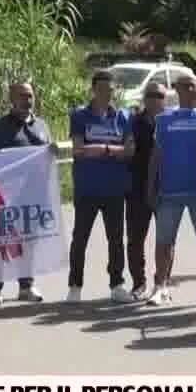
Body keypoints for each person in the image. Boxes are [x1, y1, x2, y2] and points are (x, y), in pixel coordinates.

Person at [147, 73, 196, 306]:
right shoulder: (164, 119)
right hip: (170, 191)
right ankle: (160, 287)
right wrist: (151, 186)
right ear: (175, 89)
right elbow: (156, 156)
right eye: (182, 85)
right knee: (164, 242)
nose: (187, 88)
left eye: (191, 85)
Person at [67, 69, 134, 303]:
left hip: (114, 189)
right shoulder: (79, 116)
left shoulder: (123, 116)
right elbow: (78, 150)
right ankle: (75, 285)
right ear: (94, 89)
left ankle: (117, 285)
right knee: (80, 239)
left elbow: (130, 151)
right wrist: (113, 150)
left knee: (116, 239)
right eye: (102, 89)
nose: (107, 93)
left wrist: (103, 149)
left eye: (110, 89)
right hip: (87, 188)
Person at [0, 81, 52, 304]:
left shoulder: (42, 125)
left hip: (33, 196)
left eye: (30, 95)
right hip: (4, 196)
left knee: (28, 242)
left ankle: (26, 286)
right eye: (22, 96)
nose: (27, 100)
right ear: (11, 99)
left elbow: (46, 159)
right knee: (1, 242)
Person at [127, 81, 166, 300]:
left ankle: (162, 282)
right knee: (135, 239)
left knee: (166, 239)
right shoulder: (133, 122)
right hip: (137, 188)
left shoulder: (169, 122)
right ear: (144, 98)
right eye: (151, 95)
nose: (155, 99)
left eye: (160, 96)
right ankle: (139, 283)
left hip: (165, 188)